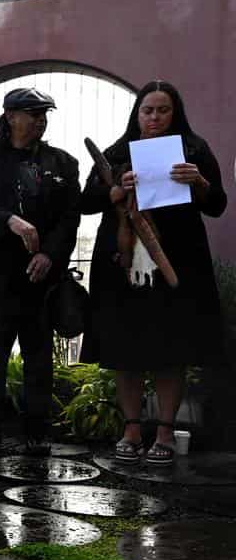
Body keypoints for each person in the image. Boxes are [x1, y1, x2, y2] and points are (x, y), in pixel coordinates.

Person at [79, 80, 227, 467]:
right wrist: (114, 191)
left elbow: (218, 205)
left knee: (170, 348)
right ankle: (130, 430)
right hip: (122, 263)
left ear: (175, 113)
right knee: (125, 348)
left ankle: (164, 432)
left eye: (163, 110)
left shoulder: (194, 150)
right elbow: (85, 202)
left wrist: (199, 182)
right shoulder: (116, 152)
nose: (155, 117)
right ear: (137, 114)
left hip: (177, 261)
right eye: (148, 110)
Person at [0, 88, 80, 456]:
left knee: (39, 359)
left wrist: (51, 255)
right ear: (11, 117)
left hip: (39, 280)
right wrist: (9, 220)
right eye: (32, 112)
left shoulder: (63, 162)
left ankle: (38, 432)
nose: (40, 119)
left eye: (44, 113)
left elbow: (69, 218)